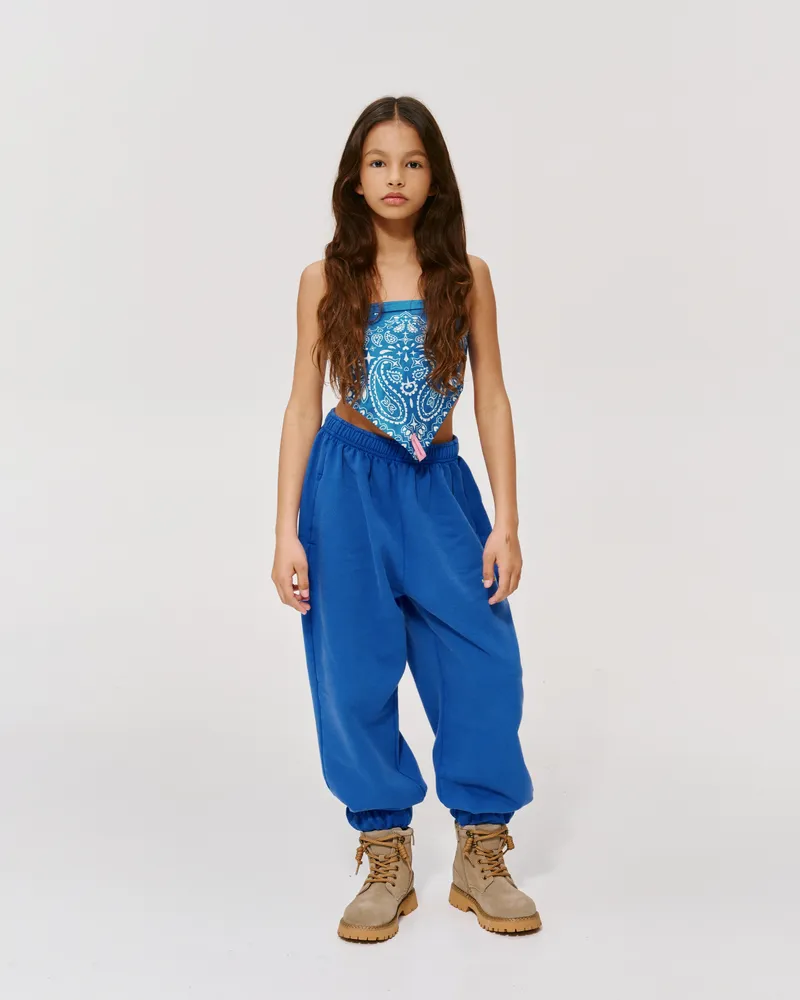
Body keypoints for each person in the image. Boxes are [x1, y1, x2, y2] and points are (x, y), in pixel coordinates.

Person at [272, 95, 541, 942]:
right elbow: (301, 403)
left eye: (413, 162)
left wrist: (506, 520)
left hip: (438, 487)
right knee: (352, 669)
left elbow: (491, 395)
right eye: (379, 161)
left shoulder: (467, 276)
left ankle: (480, 849)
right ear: (356, 178)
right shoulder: (325, 279)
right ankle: (384, 850)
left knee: (483, 660)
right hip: (346, 486)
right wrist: (285, 530)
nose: (396, 176)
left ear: (435, 178)